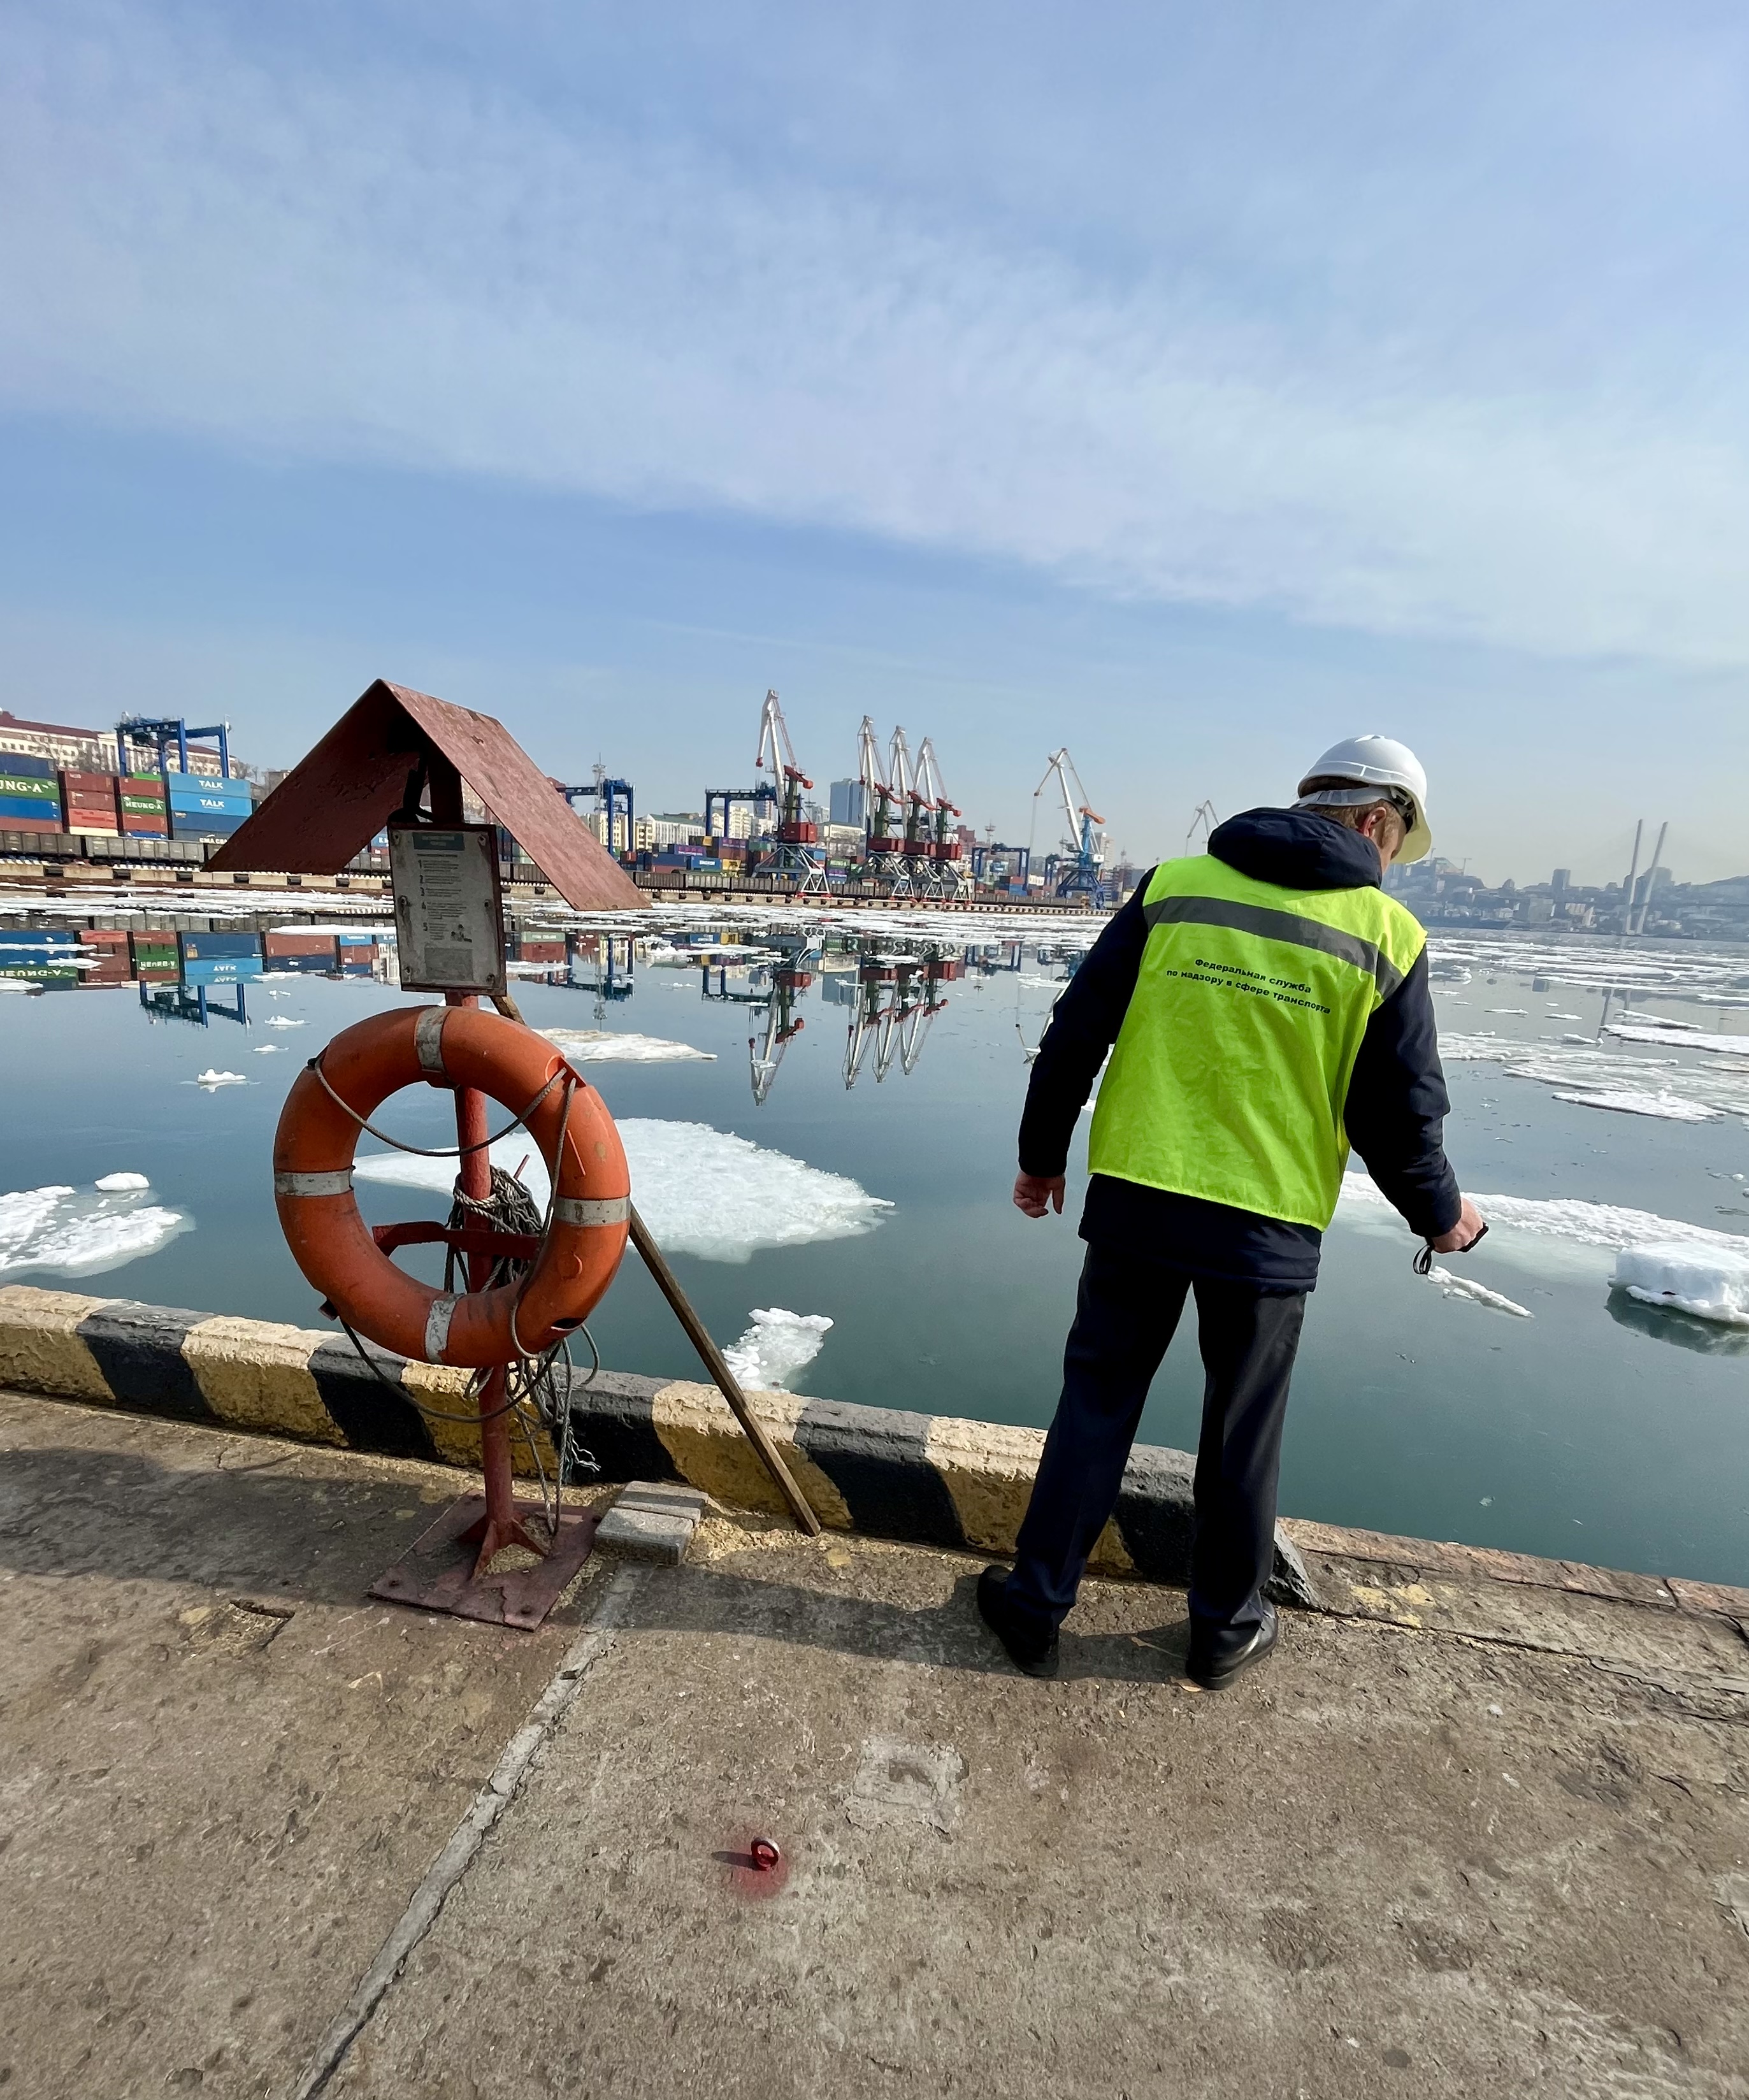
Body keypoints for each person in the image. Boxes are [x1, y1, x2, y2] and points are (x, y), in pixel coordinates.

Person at [979, 736, 1485, 1690]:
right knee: (1241, 1428)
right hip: (1266, 1221)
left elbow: (1074, 1031)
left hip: (1138, 1195)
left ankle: (1034, 1607)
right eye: (1396, 845)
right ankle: (1222, 1630)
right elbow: (1398, 1112)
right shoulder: (1387, 935)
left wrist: (1040, 1159)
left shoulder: (1174, 885)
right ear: (1379, 823)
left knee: (1096, 1404)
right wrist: (1441, 1215)